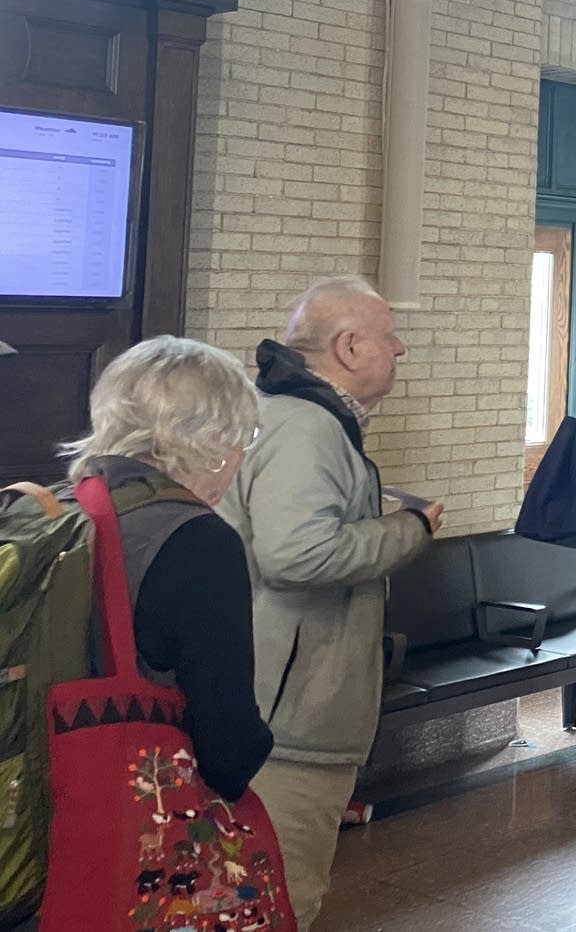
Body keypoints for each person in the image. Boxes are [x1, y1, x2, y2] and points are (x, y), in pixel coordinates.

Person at [217, 276, 443, 930]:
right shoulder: (308, 428)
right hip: (289, 721)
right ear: (348, 347)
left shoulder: (284, 415)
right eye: (388, 336)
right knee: (279, 900)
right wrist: (412, 528)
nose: (400, 349)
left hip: (269, 701)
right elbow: (296, 555)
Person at [59, 336, 274, 801]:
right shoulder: (199, 541)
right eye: (245, 437)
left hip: (30, 808)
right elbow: (228, 751)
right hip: (122, 811)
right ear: (217, 440)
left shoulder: (53, 511)